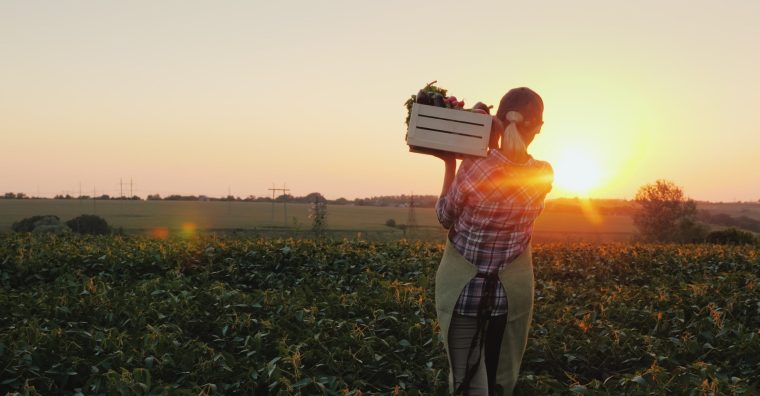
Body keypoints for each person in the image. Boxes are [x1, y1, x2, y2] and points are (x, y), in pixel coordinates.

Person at [433, 87, 553, 396]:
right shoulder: (543, 175)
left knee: (466, 384)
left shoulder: (475, 168)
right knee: (498, 382)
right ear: (537, 129)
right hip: (507, 300)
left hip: (464, 296)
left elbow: (445, 216)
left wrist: (452, 161)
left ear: (496, 122)